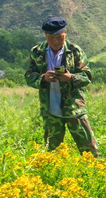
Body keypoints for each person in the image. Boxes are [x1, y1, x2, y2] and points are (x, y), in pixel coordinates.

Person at [24, 16, 99, 156]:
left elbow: (87, 77)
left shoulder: (75, 51)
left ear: (65, 33)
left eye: (59, 37)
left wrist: (70, 78)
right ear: (45, 35)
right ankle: (56, 176)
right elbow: (28, 76)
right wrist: (43, 78)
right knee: (52, 152)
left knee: (89, 149)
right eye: (51, 37)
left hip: (74, 107)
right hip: (50, 108)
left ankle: (95, 172)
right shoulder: (37, 52)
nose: (56, 41)